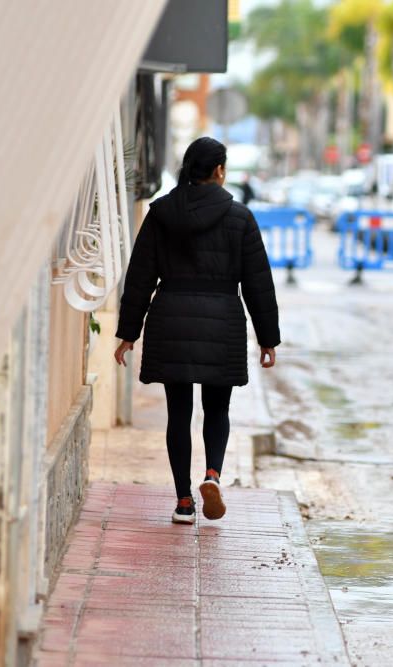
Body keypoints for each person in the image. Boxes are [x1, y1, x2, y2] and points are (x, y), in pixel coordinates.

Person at [114, 137, 280, 524]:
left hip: (171, 315)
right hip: (221, 319)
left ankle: (184, 502)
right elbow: (258, 282)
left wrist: (128, 333)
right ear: (219, 170)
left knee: (179, 412)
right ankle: (213, 475)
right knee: (217, 407)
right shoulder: (240, 218)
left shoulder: (160, 214)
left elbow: (140, 276)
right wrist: (267, 338)